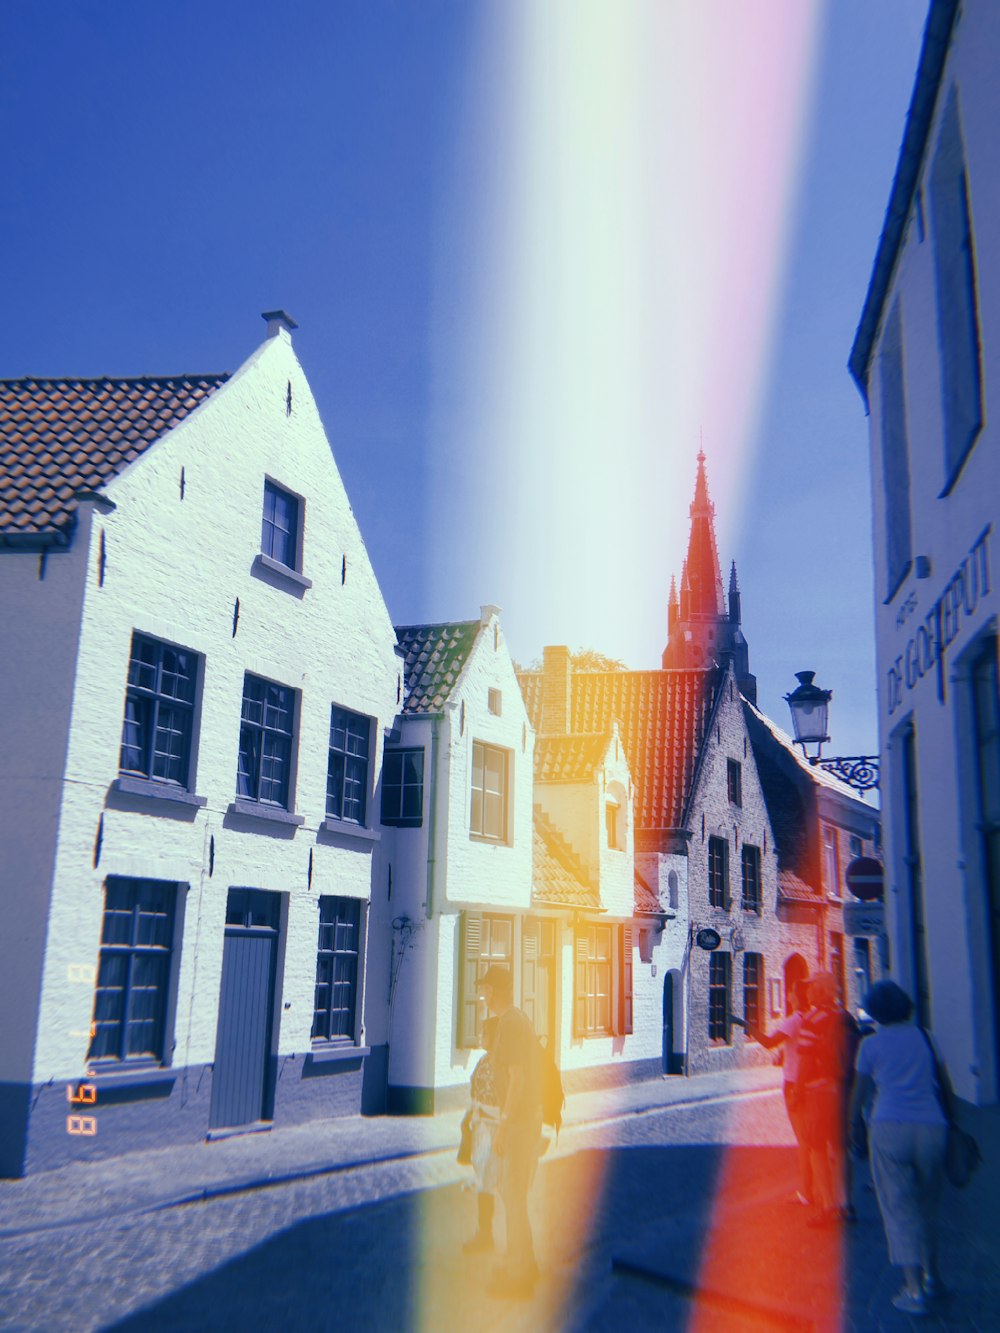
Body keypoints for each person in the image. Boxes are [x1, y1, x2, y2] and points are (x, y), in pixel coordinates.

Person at [849, 980, 950, 1316]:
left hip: (889, 1127)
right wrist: (954, 1126)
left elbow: (859, 1095)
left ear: (875, 1010)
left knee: (898, 1207)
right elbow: (945, 1088)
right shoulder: (926, 1037)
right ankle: (933, 1275)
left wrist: (854, 1127)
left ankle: (913, 1289)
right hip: (931, 1126)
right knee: (928, 1206)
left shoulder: (870, 1045)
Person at [478, 963, 542, 1299]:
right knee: (509, 1191)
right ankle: (524, 1264)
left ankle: (520, 1277)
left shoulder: (513, 1023)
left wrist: (503, 1125)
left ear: (498, 990)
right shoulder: (507, 1022)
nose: (483, 994)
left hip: (518, 1121)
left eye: (487, 989)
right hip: (517, 1119)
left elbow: (518, 1079)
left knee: (512, 1193)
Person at [794, 971, 861, 1225]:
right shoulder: (846, 1017)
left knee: (817, 1148)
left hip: (819, 1092)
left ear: (821, 990)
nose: (808, 992)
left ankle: (828, 1206)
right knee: (841, 1149)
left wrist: (798, 1089)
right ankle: (846, 1204)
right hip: (843, 1090)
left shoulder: (812, 1019)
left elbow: (805, 1059)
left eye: (811, 987)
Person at [743, 979, 813, 1204]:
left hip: (794, 1083)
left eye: (791, 992)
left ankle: (806, 1191)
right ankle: (817, 1186)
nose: (789, 996)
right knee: (813, 1139)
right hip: (812, 1081)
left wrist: (748, 1027)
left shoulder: (794, 1021)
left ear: (797, 996)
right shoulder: (812, 1017)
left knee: (803, 1140)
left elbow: (769, 1042)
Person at [462, 1016, 501, 1254]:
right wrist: (470, 1114)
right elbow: (475, 1089)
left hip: (495, 1127)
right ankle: (484, 1234)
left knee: (492, 1180)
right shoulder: (483, 1060)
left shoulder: (503, 1064)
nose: (480, 1037)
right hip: (481, 1126)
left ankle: (490, 1236)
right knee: (483, 1180)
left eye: (485, 1033)